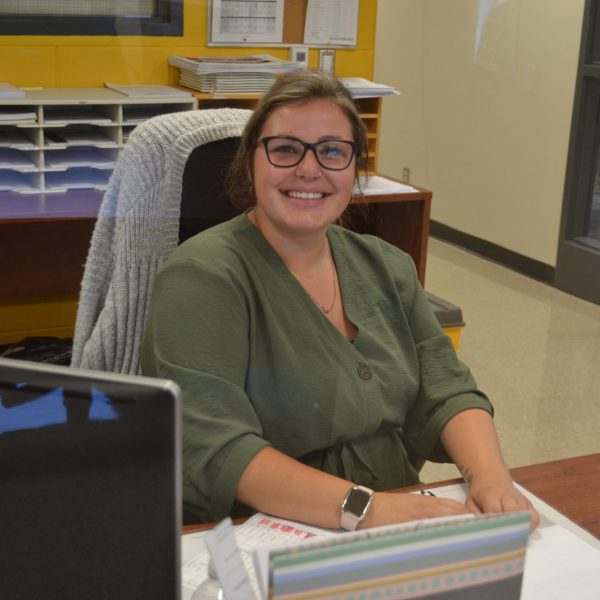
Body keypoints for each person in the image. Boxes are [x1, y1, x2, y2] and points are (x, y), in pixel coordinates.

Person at [141, 69, 539, 531]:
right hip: (258, 532)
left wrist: (491, 480)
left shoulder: (386, 266)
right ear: (251, 162)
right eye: (286, 149)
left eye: (332, 151)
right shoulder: (203, 277)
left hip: (392, 512)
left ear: (354, 168)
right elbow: (216, 446)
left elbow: (447, 390)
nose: (309, 169)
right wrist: (368, 510)